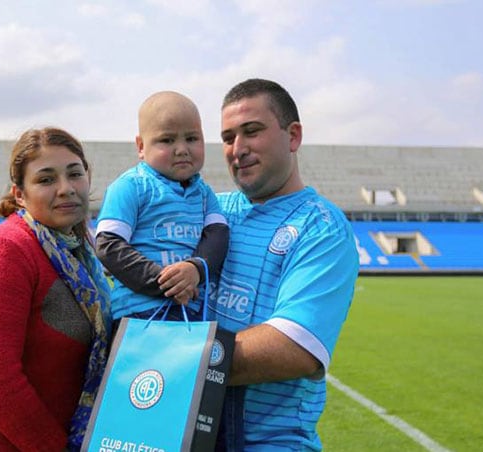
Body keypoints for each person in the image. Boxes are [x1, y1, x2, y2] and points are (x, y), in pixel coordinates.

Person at [0, 127, 111, 451]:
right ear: (19, 194)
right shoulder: (5, 249)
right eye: (46, 179)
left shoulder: (82, 251)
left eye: (74, 174)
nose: (66, 189)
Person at [212, 79, 359, 450]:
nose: (238, 149)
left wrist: (168, 359)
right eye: (228, 137)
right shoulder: (213, 211)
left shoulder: (320, 226)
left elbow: (293, 348)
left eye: (252, 131)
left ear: (293, 136)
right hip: (188, 435)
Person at [95, 91, 229, 323]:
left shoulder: (205, 193)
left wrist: (196, 268)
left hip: (191, 311)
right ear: (141, 146)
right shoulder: (131, 186)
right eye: (167, 140)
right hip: (139, 314)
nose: (182, 149)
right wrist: (166, 282)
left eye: (192, 138)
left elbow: (217, 237)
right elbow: (109, 246)